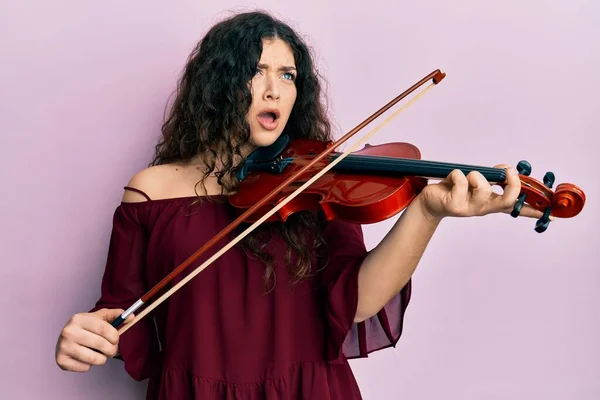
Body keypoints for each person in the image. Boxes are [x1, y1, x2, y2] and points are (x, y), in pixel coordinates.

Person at [54, 10, 542, 400]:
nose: (274, 89)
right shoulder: (150, 192)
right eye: (256, 72)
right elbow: (119, 317)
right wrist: (86, 337)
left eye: (287, 75)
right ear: (219, 84)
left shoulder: (318, 182)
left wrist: (426, 211)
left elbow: (358, 300)